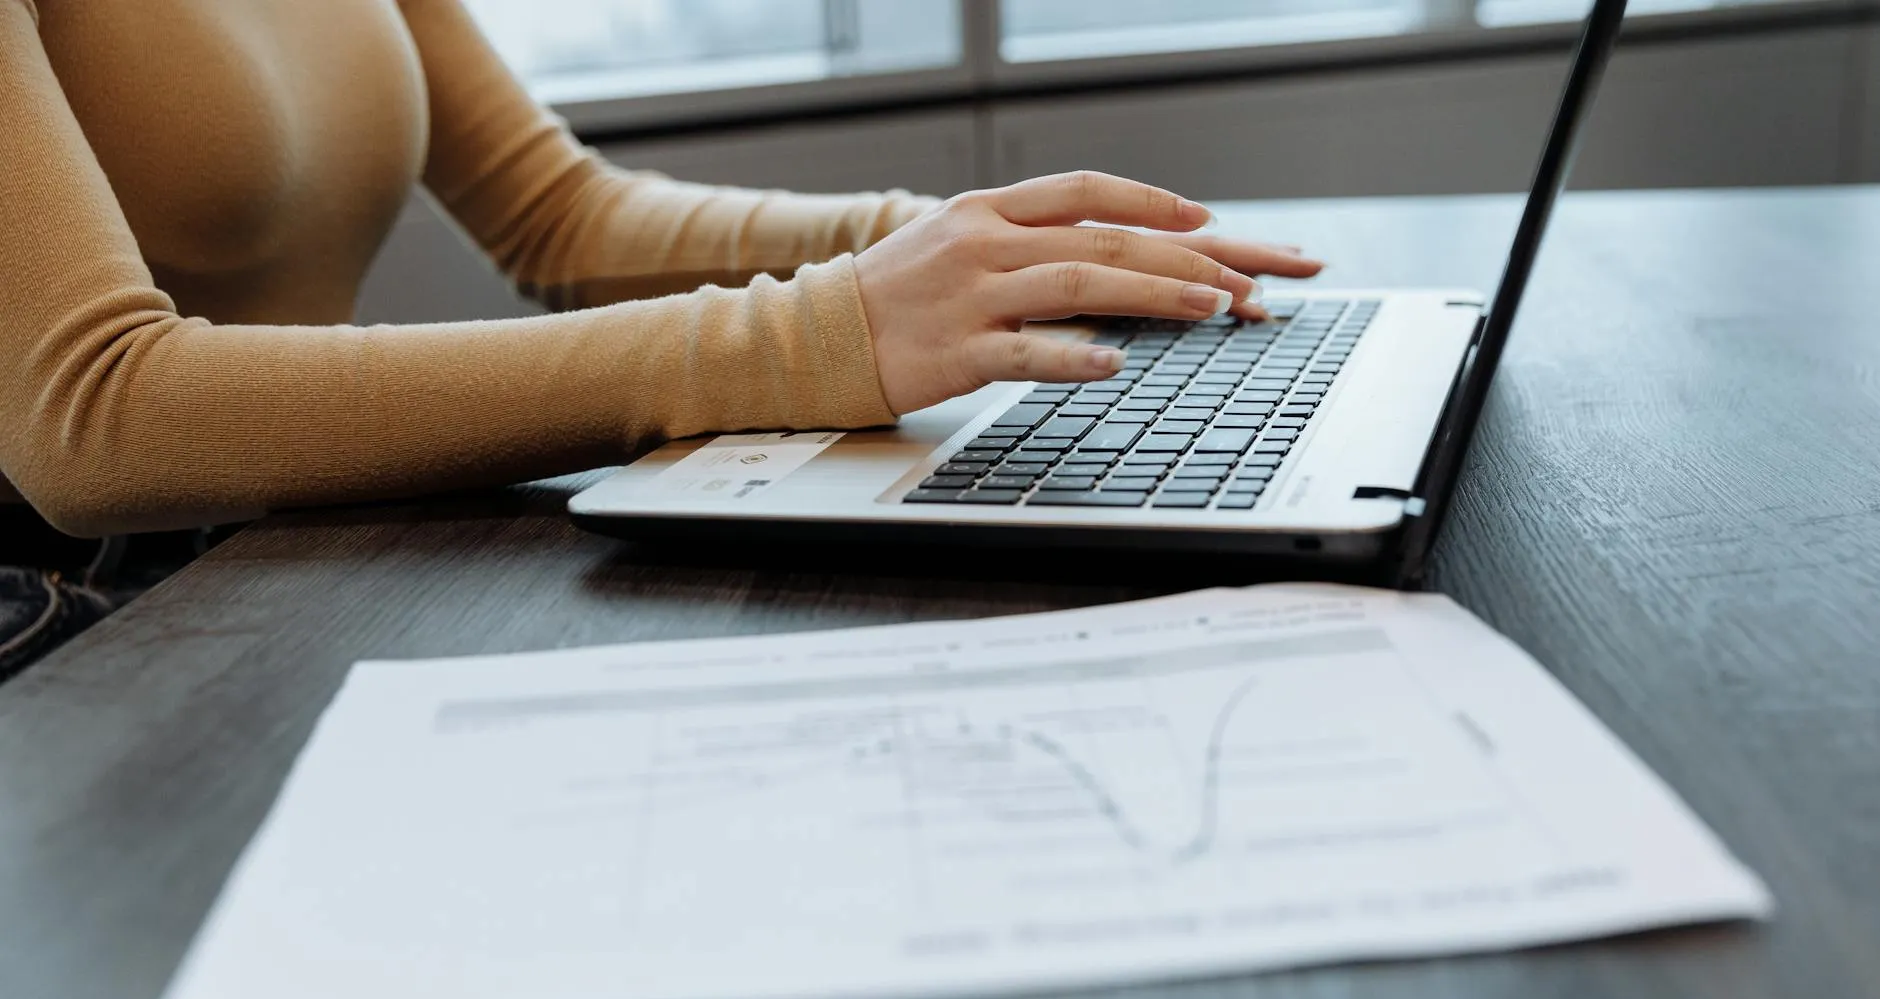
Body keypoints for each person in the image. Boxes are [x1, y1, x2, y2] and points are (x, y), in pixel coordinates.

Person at [0, 0, 1324, 677]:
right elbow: (96, 412)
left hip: (281, 576)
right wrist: (815, 334)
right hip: (89, 649)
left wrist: (943, 246)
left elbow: (562, 213)